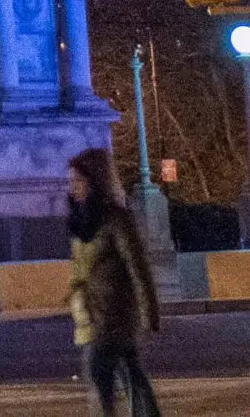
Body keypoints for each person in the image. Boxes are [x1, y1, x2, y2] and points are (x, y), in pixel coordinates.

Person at [67, 148, 160, 417]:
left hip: (114, 314)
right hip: (89, 314)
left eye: (78, 180)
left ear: (94, 181)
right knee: (131, 376)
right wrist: (74, 298)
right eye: (71, 181)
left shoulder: (116, 219)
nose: (72, 187)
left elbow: (138, 269)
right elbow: (79, 268)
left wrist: (149, 315)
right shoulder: (80, 221)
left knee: (99, 373)